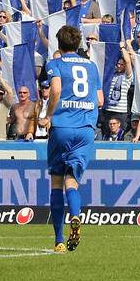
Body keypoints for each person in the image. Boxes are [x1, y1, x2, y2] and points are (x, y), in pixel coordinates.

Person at [44, 26, 102, 253]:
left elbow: (56, 89)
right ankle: (75, 216)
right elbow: (99, 99)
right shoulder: (92, 66)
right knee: (72, 181)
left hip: (62, 127)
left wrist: (48, 115)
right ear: (78, 43)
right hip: (86, 129)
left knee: (57, 181)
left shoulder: (55, 63)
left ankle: (59, 240)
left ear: (59, 44)